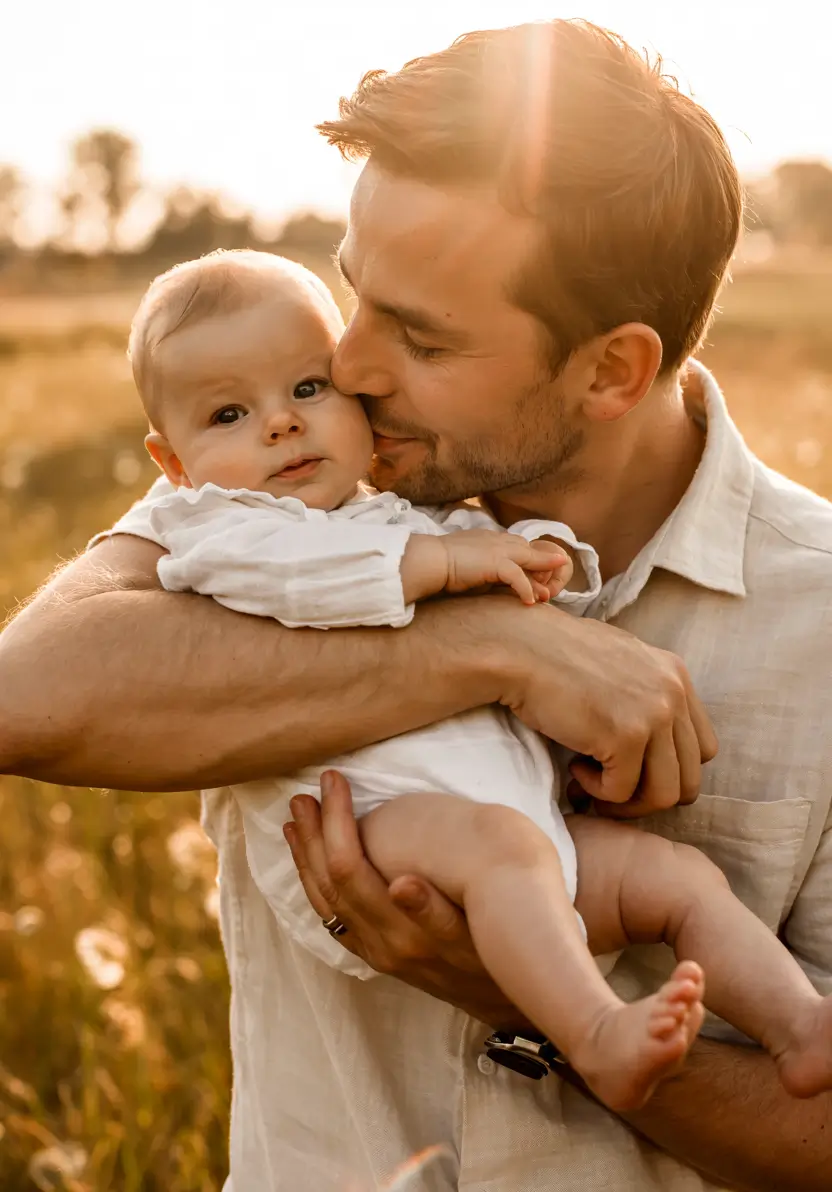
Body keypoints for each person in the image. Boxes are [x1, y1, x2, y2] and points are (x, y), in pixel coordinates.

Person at [1, 17, 830, 1190]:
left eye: (421, 335)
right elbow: (26, 698)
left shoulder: (820, 618)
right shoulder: (284, 496)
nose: (350, 363)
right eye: (356, 294)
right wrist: (490, 648)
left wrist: (527, 1002)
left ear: (610, 370)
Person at [120, 245, 832, 1118]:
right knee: (506, 855)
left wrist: (539, 561)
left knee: (674, 876)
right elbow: (305, 582)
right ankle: (595, 1035)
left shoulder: (393, 503)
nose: (281, 425)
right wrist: (462, 570)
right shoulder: (221, 528)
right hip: (374, 832)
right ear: (172, 463)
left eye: (308, 389)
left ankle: (801, 1026)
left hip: (507, 827)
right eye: (229, 413)